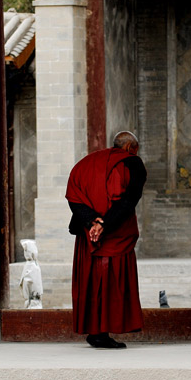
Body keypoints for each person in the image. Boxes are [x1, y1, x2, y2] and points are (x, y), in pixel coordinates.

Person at [65, 131, 146, 349]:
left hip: (88, 237)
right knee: (111, 283)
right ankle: (101, 334)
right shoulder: (134, 163)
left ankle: (96, 332)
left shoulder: (86, 163)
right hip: (115, 234)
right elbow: (129, 201)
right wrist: (104, 225)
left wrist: (91, 222)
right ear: (130, 148)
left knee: (91, 282)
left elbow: (73, 197)